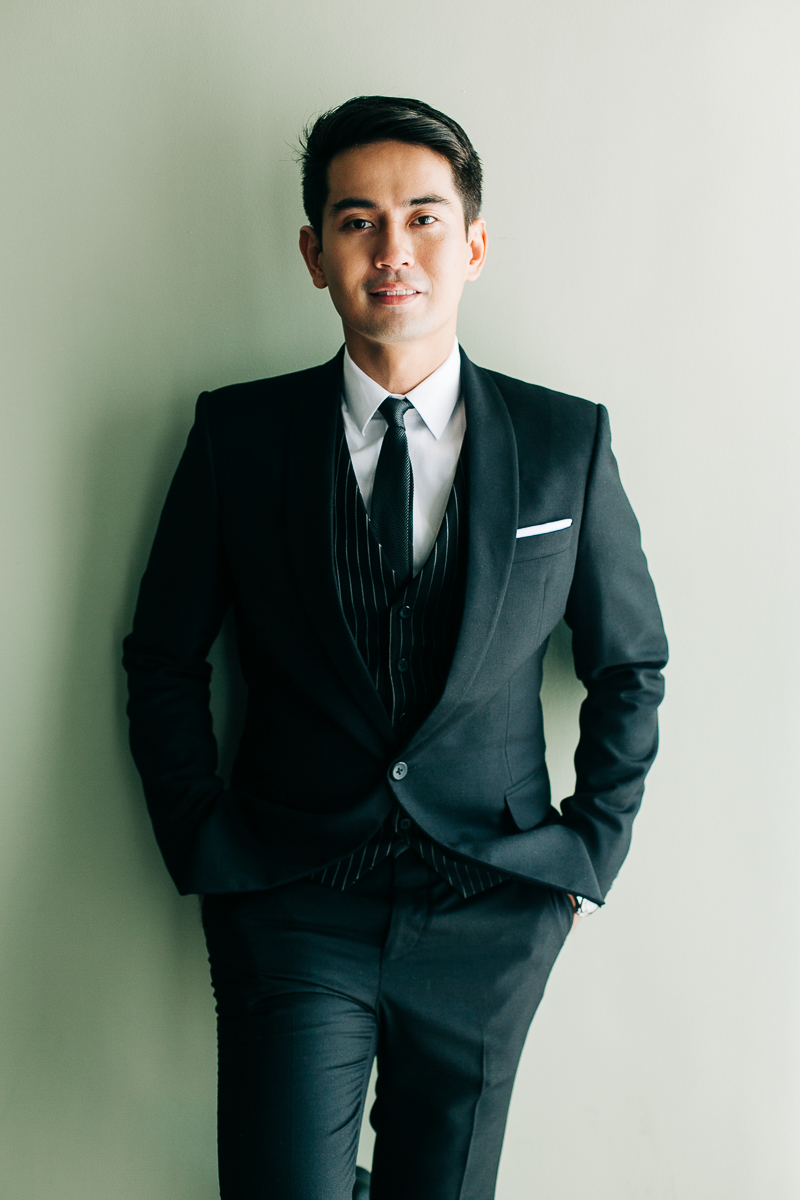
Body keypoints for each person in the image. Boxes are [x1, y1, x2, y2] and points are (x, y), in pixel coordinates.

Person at [122, 95, 667, 1200]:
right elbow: (165, 659)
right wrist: (202, 837)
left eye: (422, 217)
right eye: (357, 221)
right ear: (313, 253)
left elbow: (629, 665)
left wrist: (583, 857)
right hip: (292, 896)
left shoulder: (564, 440)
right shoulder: (238, 436)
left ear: (473, 243)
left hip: (493, 901)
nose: (392, 250)